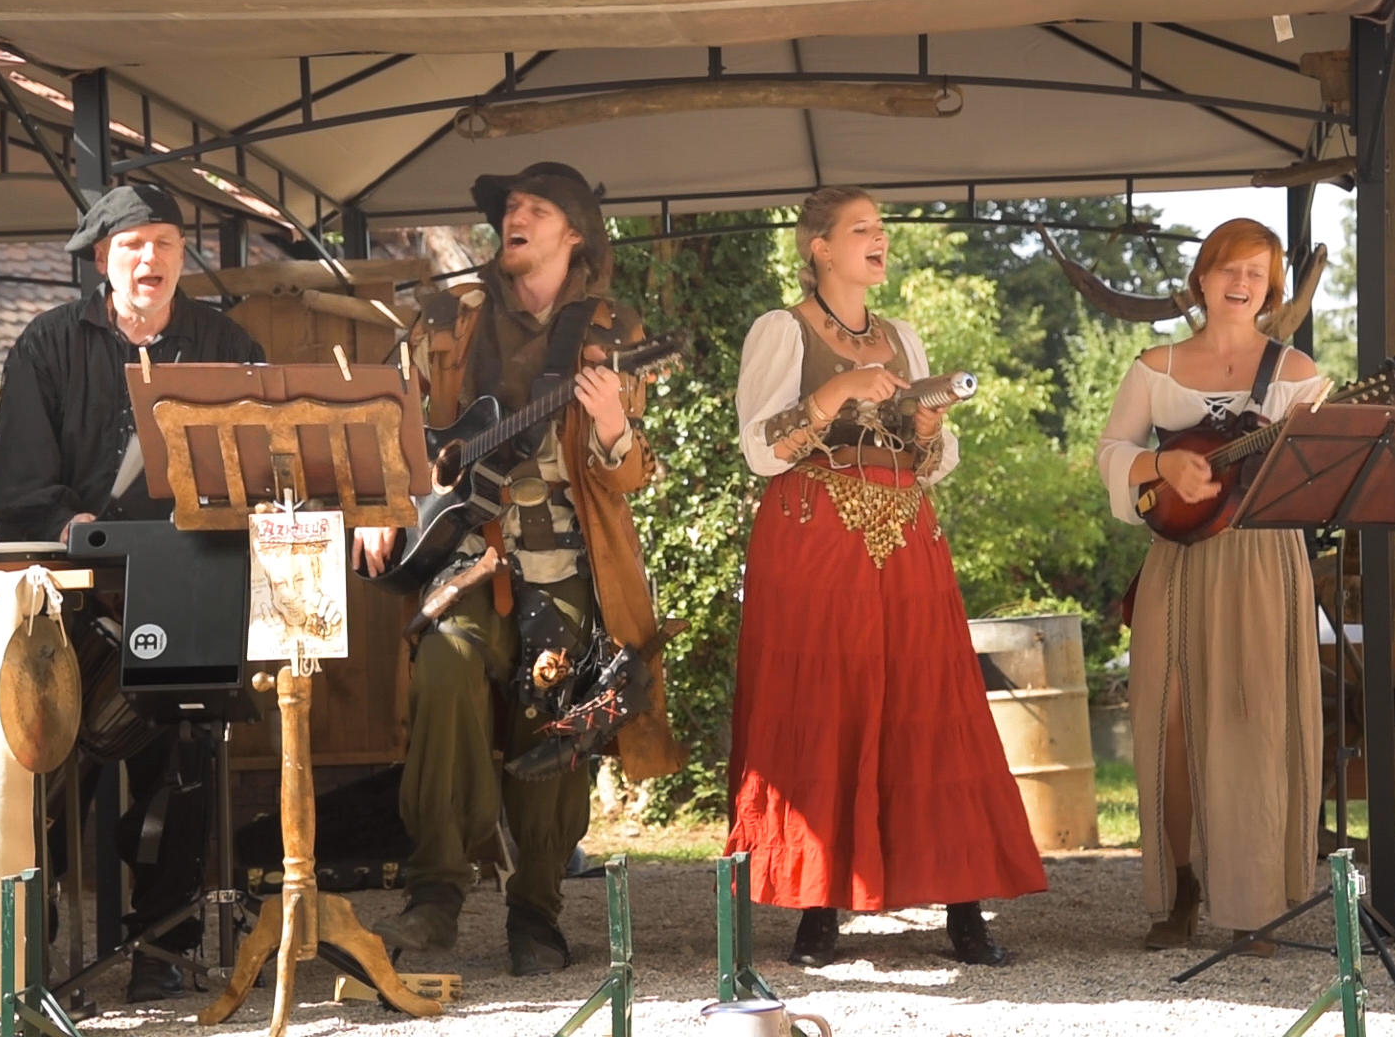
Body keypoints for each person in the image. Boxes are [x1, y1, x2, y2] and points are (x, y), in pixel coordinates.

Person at [352, 161, 684, 977]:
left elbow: (633, 474)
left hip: (570, 560)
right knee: (444, 668)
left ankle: (535, 909)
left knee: (558, 705)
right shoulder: (451, 321)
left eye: (535, 207)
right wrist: (376, 507)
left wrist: (610, 427)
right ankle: (434, 892)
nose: (515, 216)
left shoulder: (611, 331)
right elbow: (393, 429)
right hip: (466, 552)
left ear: (575, 234)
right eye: (510, 208)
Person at [727, 186, 1047, 968]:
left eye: (882, 228)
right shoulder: (781, 330)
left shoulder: (902, 336)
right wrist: (835, 390)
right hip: (812, 542)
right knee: (825, 707)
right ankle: (816, 910)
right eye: (861, 228)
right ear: (820, 249)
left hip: (906, 536)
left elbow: (933, 463)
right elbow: (760, 449)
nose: (879, 239)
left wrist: (931, 428)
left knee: (933, 706)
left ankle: (963, 908)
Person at [0, 183, 266, 1002]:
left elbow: (258, 466)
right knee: (46, 760)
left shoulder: (224, 343)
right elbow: (15, 487)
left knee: (187, 749)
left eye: (167, 244)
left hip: (187, 587)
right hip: (71, 602)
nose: (152, 259)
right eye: (135, 245)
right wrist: (74, 524)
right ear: (103, 259)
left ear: (182, 258)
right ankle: (33, 954)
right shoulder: (46, 344)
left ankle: (165, 947)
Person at [1094, 217, 1326, 955]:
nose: (1240, 284)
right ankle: (1181, 888)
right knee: (1170, 722)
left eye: (1257, 275)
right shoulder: (1155, 367)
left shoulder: (1297, 376)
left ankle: (1253, 902)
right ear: (1202, 277)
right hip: (1178, 562)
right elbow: (1112, 452)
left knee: (1254, 722)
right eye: (1229, 269)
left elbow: (1317, 481)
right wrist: (1159, 469)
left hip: (1263, 561)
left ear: (1272, 288)